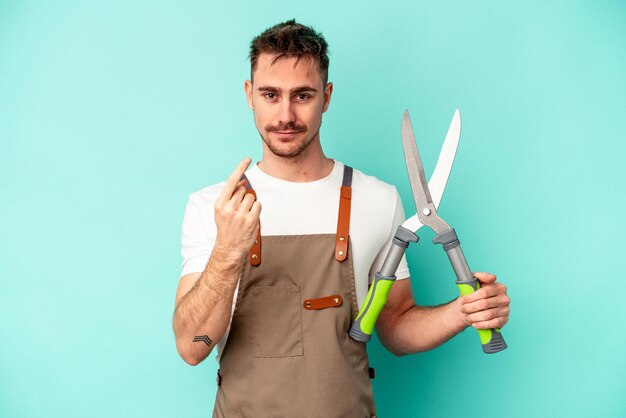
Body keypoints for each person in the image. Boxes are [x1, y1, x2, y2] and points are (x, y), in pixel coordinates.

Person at [172, 19, 510, 417]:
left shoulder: (378, 199)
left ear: (326, 96)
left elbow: (396, 328)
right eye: (270, 94)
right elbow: (191, 347)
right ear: (249, 95)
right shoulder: (215, 206)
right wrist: (228, 250)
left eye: (302, 95)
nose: (285, 114)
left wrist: (461, 312)